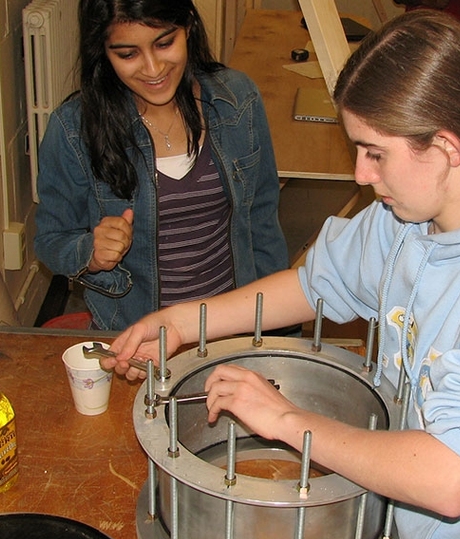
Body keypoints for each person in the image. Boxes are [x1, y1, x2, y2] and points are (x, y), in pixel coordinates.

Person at [103, 10, 460, 539]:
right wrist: (181, 322)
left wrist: (286, 420)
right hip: (409, 527)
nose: (358, 172)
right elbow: (311, 284)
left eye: (373, 152)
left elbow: (453, 477)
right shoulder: (411, 219)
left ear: (446, 147)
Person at [34, 0, 289, 330]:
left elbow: (263, 223)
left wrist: (276, 331)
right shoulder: (74, 129)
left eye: (165, 43)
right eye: (128, 54)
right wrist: (90, 252)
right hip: (138, 336)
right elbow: (51, 239)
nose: (153, 69)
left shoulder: (237, 101)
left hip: (230, 326)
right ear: (103, 51)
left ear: (188, 28)